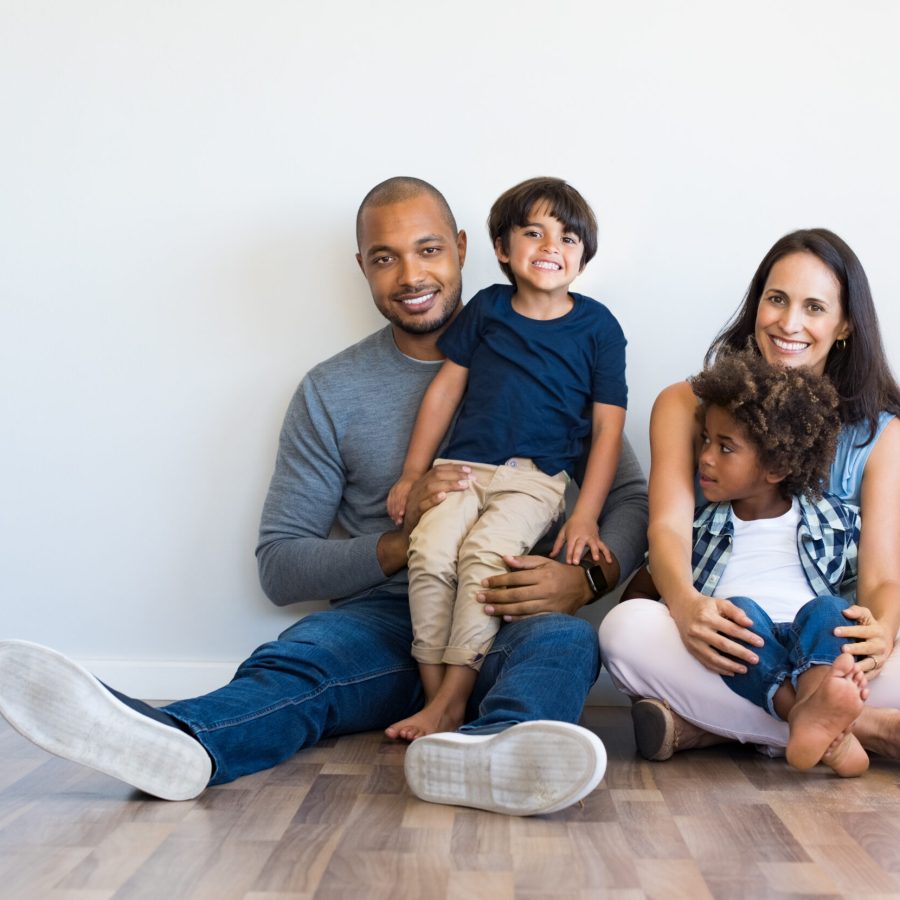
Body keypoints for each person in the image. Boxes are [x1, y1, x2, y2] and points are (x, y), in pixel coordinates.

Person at [0, 177, 649, 816]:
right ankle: (177, 740)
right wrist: (406, 542)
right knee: (300, 657)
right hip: (386, 623)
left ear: (460, 247)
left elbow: (626, 497)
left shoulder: (555, 354)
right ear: (362, 267)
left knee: (565, 644)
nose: (410, 275)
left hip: (511, 609)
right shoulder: (331, 390)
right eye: (384, 257)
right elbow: (281, 565)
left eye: (427, 249)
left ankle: (490, 754)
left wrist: (581, 580)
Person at [599, 227, 900, 762]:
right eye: (777, 299)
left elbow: (880, 578)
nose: (789, 323)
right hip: (728, 634)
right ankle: (868, 730)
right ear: (756, 302)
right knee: (624, 630)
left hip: (827, 646)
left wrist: (879, 637)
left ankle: (713, 727)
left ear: (846, 324)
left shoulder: (880, 433)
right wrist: (687, 605)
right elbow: (666, 527)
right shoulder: (684, 404)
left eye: (814, 307)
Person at [385, 177, 627, 740]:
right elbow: (445, 390)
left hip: (534, 480)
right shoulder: (488, 309)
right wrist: (412, 473)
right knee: (430, 550)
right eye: (534, 233)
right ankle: (435, 700)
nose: (550, 247)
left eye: (568, 238)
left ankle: (454, 699)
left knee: (483, 556)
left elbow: (608, 431)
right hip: (463, 469)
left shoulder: (599, 329)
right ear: (501, 249)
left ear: (584, 258)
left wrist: (585, 514)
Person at [625, 350, 870, 776]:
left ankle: (815, 704)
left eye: (725, 447)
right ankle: (811, 723)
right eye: (705, 440)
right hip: (742, 648)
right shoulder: (700, 529)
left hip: (810, 647)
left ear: (776, 466)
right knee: (734, 614)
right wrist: (659, 617)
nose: (704, 457)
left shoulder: (832, 519)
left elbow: (858, 587)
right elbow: (645, 589)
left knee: (829, 610)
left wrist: (870, 621)